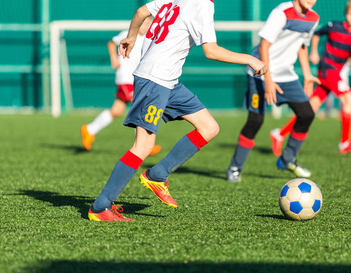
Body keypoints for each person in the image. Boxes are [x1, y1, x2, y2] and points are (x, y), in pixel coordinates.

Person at [88, 0, 268, 221]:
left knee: (209, 127)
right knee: (143, 146)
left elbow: (140, 12)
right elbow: (211, 51)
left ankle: (158, 174)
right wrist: (250, 59)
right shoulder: (203, 5)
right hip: (154, 80)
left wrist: (131, 36)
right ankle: (100, 206)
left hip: (168, 81)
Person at [226, 0, 320, 182]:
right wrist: (267, 79)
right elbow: (263, 45)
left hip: (286, 75)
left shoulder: (313, 18)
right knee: (255, 120)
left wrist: (307, 74)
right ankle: (235, 167)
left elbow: (302, 45)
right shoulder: (282, 12)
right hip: (259, 72)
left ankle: (287, 159)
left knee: (307, 114)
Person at [270, 0, 351, 156]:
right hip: (328, 70)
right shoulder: (335, 26)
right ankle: (345, 143)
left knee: (311, 108)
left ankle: (279, 134)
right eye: (350, 14)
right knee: (350, 100)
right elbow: (316, 34)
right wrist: (314, 52)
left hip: (336, 72)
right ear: (346, 14)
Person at [80, 18, 161, 156]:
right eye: (142, 24)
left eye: (147, 24)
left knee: (117, 110)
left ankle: (89, 129)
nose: (144, 27)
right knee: (140, 108)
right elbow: (111, 43)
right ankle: (144, 144)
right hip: (125, 78)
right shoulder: (128, 34)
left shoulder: (148, 39)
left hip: (135, 79)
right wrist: (113, 58)